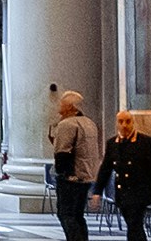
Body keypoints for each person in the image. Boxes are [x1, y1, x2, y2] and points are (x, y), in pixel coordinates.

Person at [91, 111, 151, 241]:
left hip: (140, 193)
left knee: (134, 224)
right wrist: (97, 192)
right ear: (117, 124)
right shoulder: (112, 143)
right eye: (121, 122)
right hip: (122, 193)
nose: (124, 125)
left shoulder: (146, 142)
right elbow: (105, 169)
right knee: (133, 225)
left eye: (128, 121)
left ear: (133, 123)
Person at [51, 91, 101, 241]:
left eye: (62, 103)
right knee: (78, 215)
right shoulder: (90, 123)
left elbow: (63, 152)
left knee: (66, 214)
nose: (59, 106)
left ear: (70, 107)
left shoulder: (67, 124)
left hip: (71, 177)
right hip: (86, 176)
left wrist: (63, 173)